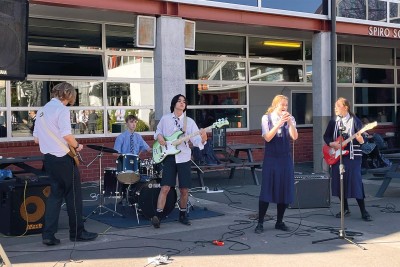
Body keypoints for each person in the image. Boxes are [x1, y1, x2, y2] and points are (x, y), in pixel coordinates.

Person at [33, 82, 98, 246]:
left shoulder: (42, 111)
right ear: (68, 94)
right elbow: (67, 135)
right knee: (74, 196)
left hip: (49, 159)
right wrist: (77, 146)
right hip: (63, 158)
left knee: (55, 196)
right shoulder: (61, 110)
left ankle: (48, 234)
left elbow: (36, 139)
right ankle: (77, 232)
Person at [151, 94, 207, 228]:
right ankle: (158, 216)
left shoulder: (190, 122)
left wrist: (203, 137)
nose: (182, 103)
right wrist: (159, 136)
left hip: (184, 157)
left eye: (184, 101)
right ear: (174, 103)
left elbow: (197, 141)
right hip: (169, 157)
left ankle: (182, 214)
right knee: (165, 187)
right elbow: (157, 131)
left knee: (184, 189)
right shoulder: (165, 119)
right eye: (179, 101)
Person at [323, 97, 372, 221]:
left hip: (352, 157)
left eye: (337, 106)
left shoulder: (355, 121)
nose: (335, 108)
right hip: (337, 156)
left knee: (355, 182)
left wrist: (361, 139)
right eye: (335, 106)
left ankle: (364, 211)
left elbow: (363, 139)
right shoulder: (334, 121)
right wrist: (331, 144)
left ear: (346, 107)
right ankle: (345, 208)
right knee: (340, 182)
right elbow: (326, 136)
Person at [255, 95, 298, 234]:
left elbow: (294, 136)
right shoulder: (266, 118)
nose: (285, 108)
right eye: (282, 105)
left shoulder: (290, 119)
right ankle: (260, 222)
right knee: (267, 189)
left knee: (284, 189)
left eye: (286, 105)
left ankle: (279, 221)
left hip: (285, 158)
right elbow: (267, 137)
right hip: (271, 158)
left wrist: (290, 123)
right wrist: (279, 123)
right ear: (275, 105)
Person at [113, 114, 152, 196]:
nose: (134, 124)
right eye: (131, 122)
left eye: (135, 122)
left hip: (135, 164)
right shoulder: (121, 137)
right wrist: (123, 156)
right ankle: (124, 196)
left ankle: (135, 195)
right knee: (125, 181)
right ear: (126, 123)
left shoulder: (138, 137)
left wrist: (158, 149)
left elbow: (148, 149)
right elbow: (115, 153)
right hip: (124, 163)